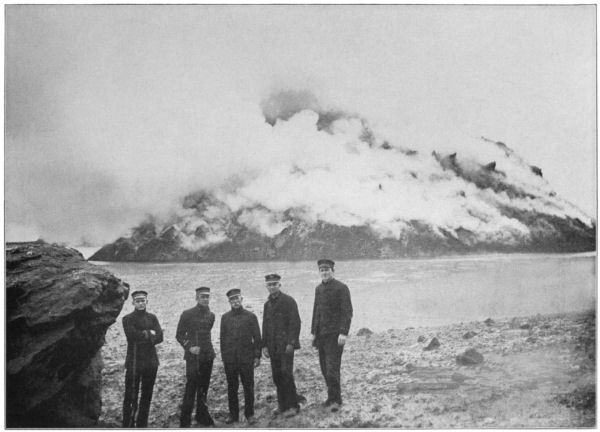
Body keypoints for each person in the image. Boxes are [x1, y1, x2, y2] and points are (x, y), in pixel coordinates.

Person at [310, 259, 353, 412]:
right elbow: (316, 312)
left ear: (333, 271)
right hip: (321, 335)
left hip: (335, 336)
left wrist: (343, 332)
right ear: (319, 272)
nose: (324, 272)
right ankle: (332, 397)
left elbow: (347, 312)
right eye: (322, 270)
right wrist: (313, 332)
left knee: (332, 369)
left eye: (327, 269)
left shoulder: (341, 288)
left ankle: (336, 400)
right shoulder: (318, 289)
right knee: (323, 368)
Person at [220, 288, 262, 425]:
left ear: (241, 299)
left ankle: (250, 414)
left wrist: (257, 356)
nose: (235, 301)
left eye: (237, 298)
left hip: (246, 359)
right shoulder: (225, 318)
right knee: (232, 387)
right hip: (231, 360)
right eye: (232, 299)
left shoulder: (250, 317)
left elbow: (257, 338)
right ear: (229, 301)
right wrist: (225, 358)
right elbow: (223, 339)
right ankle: (233, 414)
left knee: (248, 386)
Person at [262, 273, 301, 418]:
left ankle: (293, 406)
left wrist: (291, 343)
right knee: (277, 376)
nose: (272, 287)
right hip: (272, 347)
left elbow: (295, 323)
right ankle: (282, 405)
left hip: (285, 346)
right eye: (269, 285)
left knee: (286, 374)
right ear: (267, 286)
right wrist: (264, 345)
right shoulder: (267, 304)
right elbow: (265, 325)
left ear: (280, 285)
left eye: (274, 284)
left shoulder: (289, 301)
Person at [122, 290, 163, 428]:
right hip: (134, 361)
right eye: (137, 301)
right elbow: (131, 335)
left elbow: (160, 337)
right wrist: (149, 333)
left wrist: (145, 336)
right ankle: (127, 425)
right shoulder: (127, 319)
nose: (140, 303)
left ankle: (142, 425)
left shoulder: (152, 317)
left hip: (151, 362)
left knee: (147, 395)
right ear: (133, 302)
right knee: (130, 395)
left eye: (143, 300)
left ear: (147, 301)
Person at [176, 286, 216, 427]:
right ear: (196, 298)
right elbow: (179, 334)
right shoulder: (187, 314)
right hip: (193, 357)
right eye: (202, 296)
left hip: (207, 356)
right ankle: (185, 421)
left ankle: (202, 416)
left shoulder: (211, 315)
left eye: (207, 296)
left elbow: (207, 334)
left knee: (204, 387)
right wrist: (190, 347)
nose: (205, 299)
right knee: (191, 387)